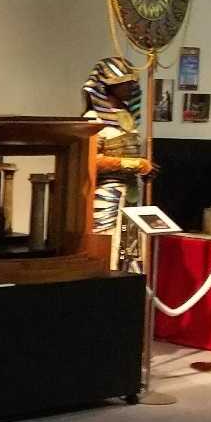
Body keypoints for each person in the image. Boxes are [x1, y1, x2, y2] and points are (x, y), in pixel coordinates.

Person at [82, 57, 154, 270]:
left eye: (132, 82)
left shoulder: (127, 116)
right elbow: (92, 161)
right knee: (107, 249)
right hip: (106, 193)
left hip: (130, 192)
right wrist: (136, 164)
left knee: (130, 252)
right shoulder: (94, 117)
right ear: (109, 85)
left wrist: (144, 167)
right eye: (125, 82)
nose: (131, 86)